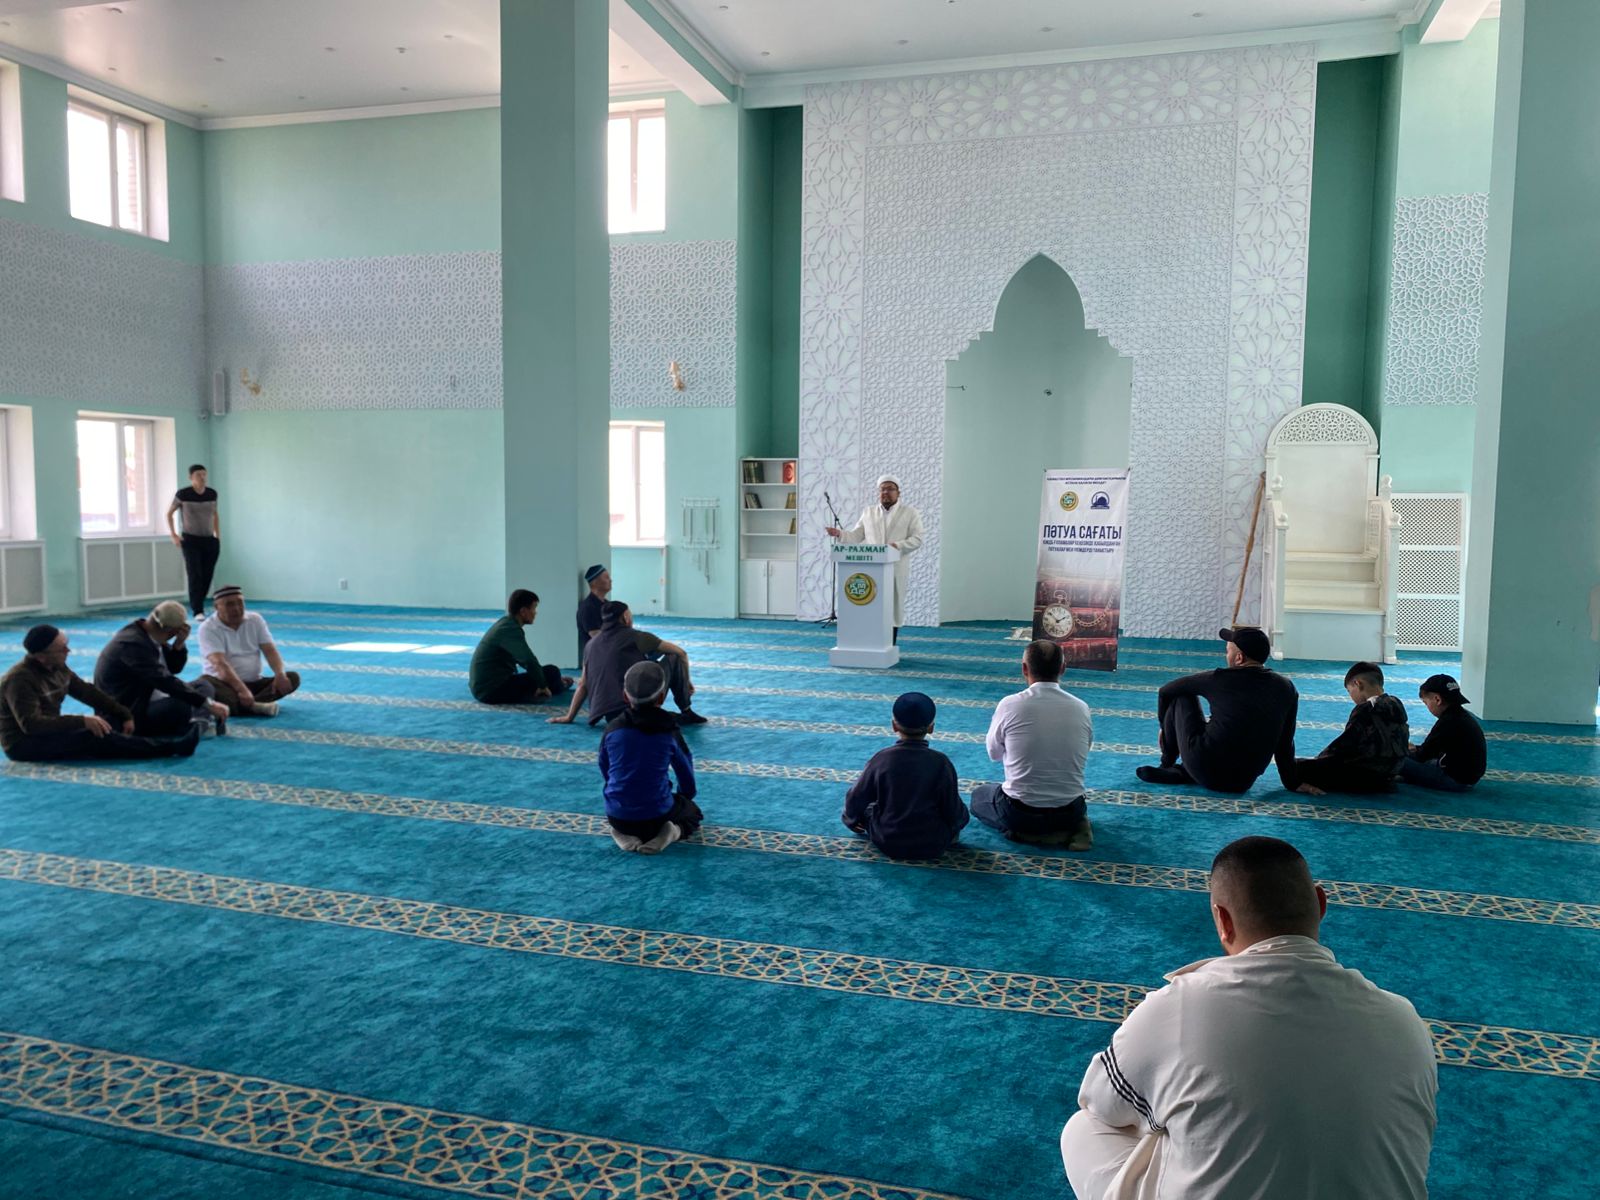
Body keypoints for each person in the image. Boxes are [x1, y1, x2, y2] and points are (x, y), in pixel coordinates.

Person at [1060, 835, 1436, 1200]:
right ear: (1321, 904)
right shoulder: (1405, 1020)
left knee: (1085, 1129)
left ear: (1222, 920)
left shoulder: (1179, 1006)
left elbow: (1101, 1102)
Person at [2, 625, 201, 761]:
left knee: (104, 726)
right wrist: (82, 721)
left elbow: (87, 692)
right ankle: (172, 748)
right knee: (95, 737)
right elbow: (32, 725)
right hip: (24, 744)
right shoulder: (19, 680)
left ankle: (149, 743)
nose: (68, 651)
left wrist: (124, 714)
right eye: (62, 649)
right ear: (41, 657)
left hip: (48, 731)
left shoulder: (57, 667)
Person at [1136, 627, 1298, 794]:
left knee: (1181, 696)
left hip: (1203, 766)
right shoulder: (1286, 687)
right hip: (1242, 781)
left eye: (1228, 651)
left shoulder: (1219, 679)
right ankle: (1182, 772)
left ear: (1239, 658)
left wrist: (1164, 729)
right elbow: (1285, 742)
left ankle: (1167, 764)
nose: (1226, 656)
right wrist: (1291, 782)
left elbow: (1165, 691)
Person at [970, 640, 1094, 849]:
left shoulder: (1010, 704)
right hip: (1071, 810)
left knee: (978, 797)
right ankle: (1072, 827)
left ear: (1024, 669)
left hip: (1021, 813)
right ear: (1063, 669)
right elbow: (1085, 749)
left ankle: (1027, 834)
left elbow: (994, 753)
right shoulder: (1081, 707)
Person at [842, 691, 969, 859]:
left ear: (894, 726)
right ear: (931, 728)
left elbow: (856, 797)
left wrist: (851, 819)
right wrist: (960, 821)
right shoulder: (941, 762)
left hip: (888, 839)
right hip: (932, 841)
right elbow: (951, 808)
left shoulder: (881, 759)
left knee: (870, 808)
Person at [597, 660, 704, 854]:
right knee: (692, 813)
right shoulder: (669, 730)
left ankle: (620, 832)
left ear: (624, 696)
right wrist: (684, 797)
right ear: (662, 697)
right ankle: (672, 832)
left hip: (617, 814)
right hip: (657, 816)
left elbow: (604, 767)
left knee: (622, 804)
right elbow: (685, 771)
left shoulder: (612, 729)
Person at [550, 600, 705, 727]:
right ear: (625, 617)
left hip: (612, 717)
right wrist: (686, 682)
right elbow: (681, 653)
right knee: (673, 658)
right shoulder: (638, 637)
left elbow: (583, 684)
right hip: (636, 705)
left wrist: (569, 716)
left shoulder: (590, 645)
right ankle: (686, 710)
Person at [93, 600, 230, 736]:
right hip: (130, 710)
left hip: (149, 695)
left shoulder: (150, 633)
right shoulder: (133, 644)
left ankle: (199, 724)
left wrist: (178, 645)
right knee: (181, 705)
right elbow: (164, 681)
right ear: (172, 631)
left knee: (203, 685)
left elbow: (174, 669)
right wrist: (207, 704)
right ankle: (196, 725)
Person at [826, 474, 925, 642]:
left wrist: (897, 546)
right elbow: (856, 536)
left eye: (890, 489)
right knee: (871, 604)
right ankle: (871, 643)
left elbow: (917, 539)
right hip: (872, 571)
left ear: (898, 493)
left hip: (895, 569)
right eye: (882, 489)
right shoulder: (869, 512)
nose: (886, 492)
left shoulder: (910, 513)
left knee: (892, 607)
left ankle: (890, 644)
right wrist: (840, 534)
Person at [1290, 661, 1408, 796]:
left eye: (1349, 690)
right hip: (1393, 770)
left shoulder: (1365, 709)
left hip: (1369, 775)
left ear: (1358, 684)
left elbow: (1344, 746)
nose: (1351, 696)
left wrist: (1319, 760)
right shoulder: (1396, 703)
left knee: (1297, 768)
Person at [197, 585, 300, 717]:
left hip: (254, 683)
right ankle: (254, 705)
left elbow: (270, 650)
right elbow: (220, 664)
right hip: (224, 684)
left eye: (240, 603)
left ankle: (245, 705)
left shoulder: (255, 620)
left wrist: (280, 674)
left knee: (291, 678)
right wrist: (241, 689)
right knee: (205, 683)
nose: (236, 608)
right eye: (229, 604)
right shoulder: (208, 628)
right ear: (217, 607)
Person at [470, 589, 573, 705]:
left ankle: (553, 683)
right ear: (523, 611)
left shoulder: (506, 623)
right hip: (491, 691)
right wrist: (542, 685)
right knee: (552, 672)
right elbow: (528, 660)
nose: (535, 613)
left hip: (483, 687)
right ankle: (556, 685)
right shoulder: (510, 630)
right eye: (534, 608)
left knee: (544, 674)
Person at [1399, 673, 1486, 792]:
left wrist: (1403, 749)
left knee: (1396, 759)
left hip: (1455, 780)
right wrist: (1416, 749)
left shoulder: (1448, 722)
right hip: (1467, 777)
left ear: (1437, 699)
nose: (1427, 707)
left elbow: (1422, 756)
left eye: (1426, 703)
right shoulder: (1462, 716)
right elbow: (1433, 749)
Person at [167, 463, 221, 619]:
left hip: (209, 540)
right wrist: (174, 535)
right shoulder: (183, 494)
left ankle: (199, 602)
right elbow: (169, 514)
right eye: (198, 475)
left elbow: (214, 514)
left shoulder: (212, 493)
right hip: (191, 540)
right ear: (191, 477)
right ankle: (198, 610)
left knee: (207, 575)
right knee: (195, 574)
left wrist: (218, 536)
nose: (202, 477)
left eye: (204, 474)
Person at [577, 564, 610, 664]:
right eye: (606, 577)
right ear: (595, 582)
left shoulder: (607, 604)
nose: (610, 580)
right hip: (597, 657)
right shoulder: (588, 608)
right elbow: (598, 638)